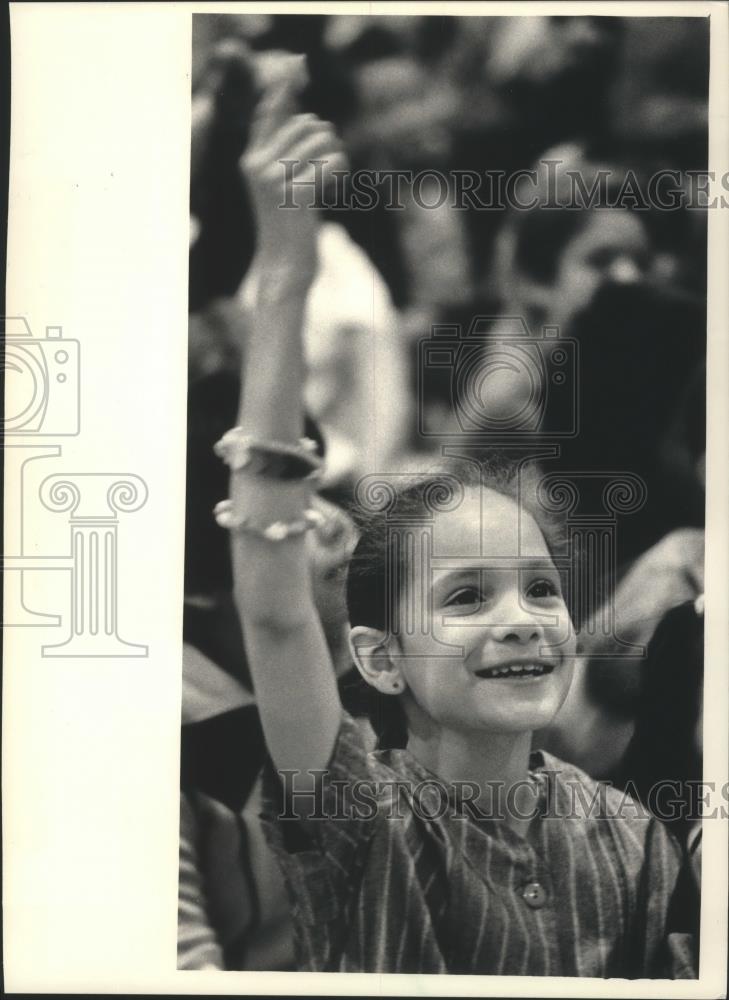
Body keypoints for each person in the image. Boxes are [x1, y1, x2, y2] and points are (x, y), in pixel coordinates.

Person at [211, 70, 697, 978]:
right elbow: (274, 609)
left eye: (541, 588)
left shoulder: (631, 833)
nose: (520, 617)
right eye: (467, 595)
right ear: (380, 658)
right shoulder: (360, 819)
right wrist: (285, 273)